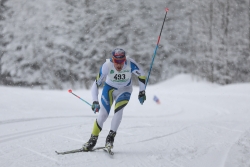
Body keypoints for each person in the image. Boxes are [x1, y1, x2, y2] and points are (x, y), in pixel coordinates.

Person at [82, 48, 147, 151]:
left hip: (125, 90)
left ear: (125, 59)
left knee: (118, 110)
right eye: (117, 61)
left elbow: (142, 75)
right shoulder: (107, 66)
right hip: (109, 89)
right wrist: (95, 101)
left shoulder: (130, 64)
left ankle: (110, 139)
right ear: (113, 59)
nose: (119, 65)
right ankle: (92, 140)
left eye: (122, 61)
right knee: (103, 114)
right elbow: (96, 83)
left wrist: (142, 92)